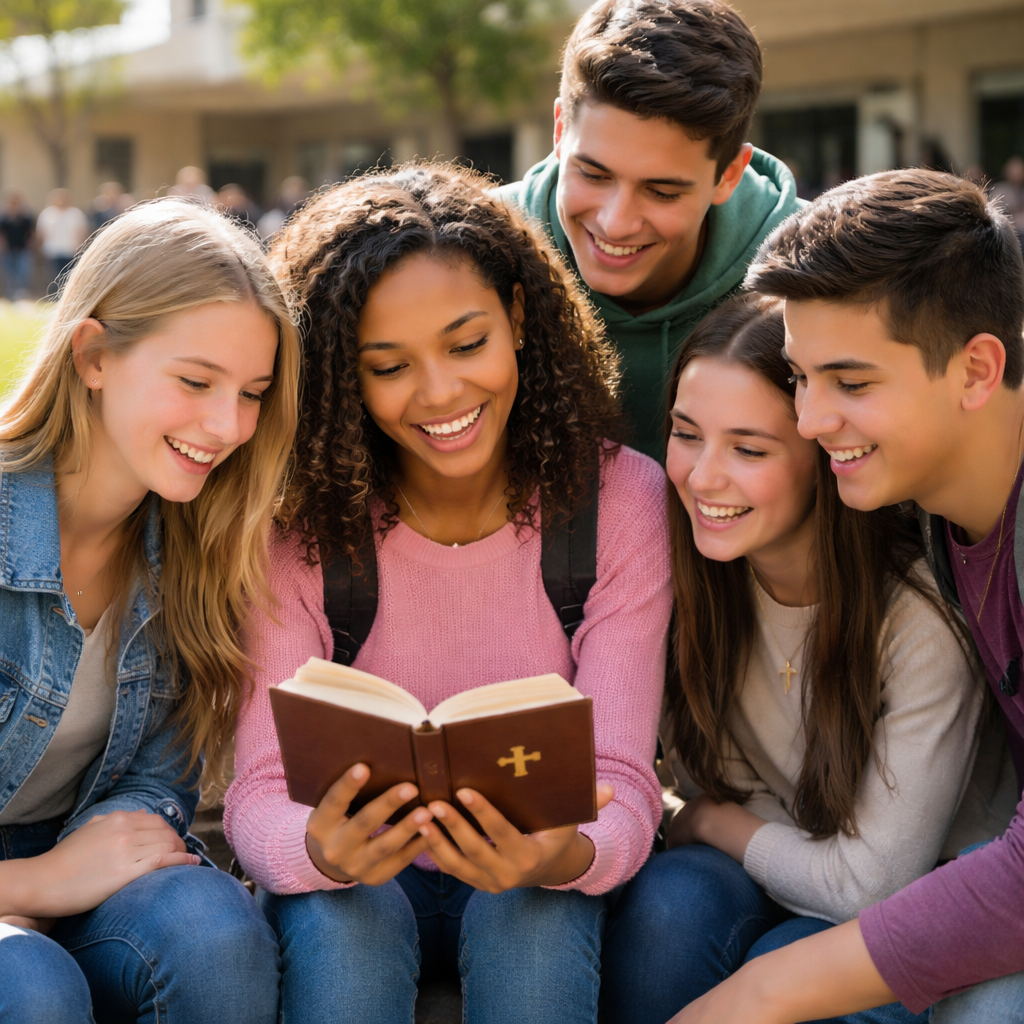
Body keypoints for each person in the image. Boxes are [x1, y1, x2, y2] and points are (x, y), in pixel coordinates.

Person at [223, 163, 672, 1024]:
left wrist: (562, 854)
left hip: (535, 880)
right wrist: (316, 849)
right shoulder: (296, 523)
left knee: (534, 920)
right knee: (342, 921)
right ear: (339, 378)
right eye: (388, 367)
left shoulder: (621, 502)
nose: (440, 393)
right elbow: (260, 787)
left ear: (518, 317)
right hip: (355, 884)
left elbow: (621, 775)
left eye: (467, 345)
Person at [599, 292, 1016, 1024]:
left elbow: (872, 886)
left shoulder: (915, 615)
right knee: (670, 907)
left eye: (750, 449)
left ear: (825, 459)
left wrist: (710, 822)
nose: (703, 478)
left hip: (921, 900)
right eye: (686, 434)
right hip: (782, 865)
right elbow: (701, 776)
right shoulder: (687, 568)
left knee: (785, 961)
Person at [0, 197, 301, 1023]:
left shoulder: (199, 546)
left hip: (80, 876)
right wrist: (28, 887)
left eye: (253, 393)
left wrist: (80, 868)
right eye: (196, 382)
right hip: (37, 892)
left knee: (215, 933)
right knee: (31, 986)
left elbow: (152, 780)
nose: (228, 425)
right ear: (93, 354)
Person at [500, 0, 801, 458]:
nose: (615, 223)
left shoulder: (814, 274)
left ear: (728, 175)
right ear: (560, 131)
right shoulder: (471, 250)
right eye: (594, 175)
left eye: (662, 192)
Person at [36, 188, 89, 295]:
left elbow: (82, 231)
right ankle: (55, 295)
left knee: (69, 275)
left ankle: (68, 295)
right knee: (54, 275)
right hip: (53, 249)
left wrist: (81, 246)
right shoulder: (47, 214)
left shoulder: (75, 214)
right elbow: (41, 232)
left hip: (71, 249)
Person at [0, 190, 36, 299]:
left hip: (23, 249)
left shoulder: (25, 217)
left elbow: (31, 232)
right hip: (8, 250)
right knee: (10, 273)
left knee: (23, 272)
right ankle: (11, 293)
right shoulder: (4, 218)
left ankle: (22, 293)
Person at [257, 175, 310, 240]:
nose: (295, 193)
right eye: (292, 190)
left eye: (299, 190)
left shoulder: (310, 213)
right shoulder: (273, 217)